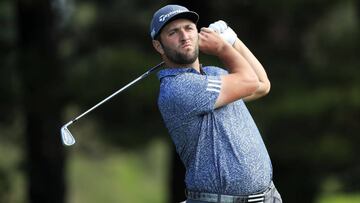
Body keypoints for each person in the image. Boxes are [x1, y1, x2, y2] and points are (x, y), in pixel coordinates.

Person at [150, 4, 282, 203]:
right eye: (173, 32)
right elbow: (250, 81)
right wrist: (222, 48)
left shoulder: (213, 74)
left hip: (268, 197)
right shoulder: (176, 88)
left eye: (188, 28)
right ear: (159, 46)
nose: (184, 36)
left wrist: (233, 40)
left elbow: (262, 84)